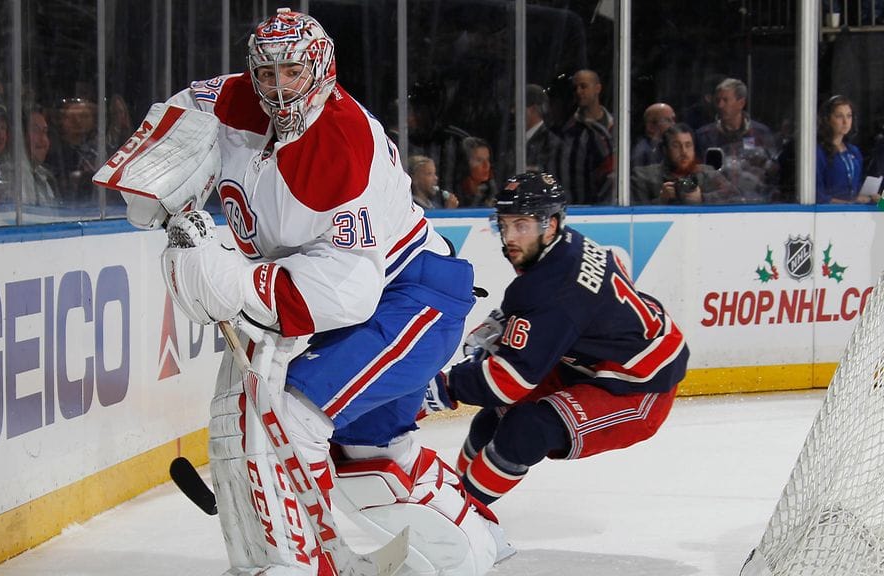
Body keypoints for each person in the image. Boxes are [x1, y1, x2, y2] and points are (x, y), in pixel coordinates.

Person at [149, 9, 509, 575]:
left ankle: (300, 563)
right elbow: (182, 110)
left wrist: (234, 283)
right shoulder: (238, 97)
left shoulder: (341, 143)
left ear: (320, 67)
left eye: (291, 71)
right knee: (370, 463)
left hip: (410, 297)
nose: (277, 87)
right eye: (266, 74)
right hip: (377, 302)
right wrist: (153, 176)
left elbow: (345, 291)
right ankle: (473, 544)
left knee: (290, 415)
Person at [422, 171, 689, 507]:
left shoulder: (556, 291)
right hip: (594, 361)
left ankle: (457, 516)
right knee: (494, 417)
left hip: (640, 384)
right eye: (504, 225)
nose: (510, 237)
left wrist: (440, 390)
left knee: (525, 431)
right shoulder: (564, 245)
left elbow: (507, 381)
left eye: (522, 225)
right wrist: (511, 320)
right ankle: (455, 496)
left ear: (550, 224)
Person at [694, 78, 779, 202]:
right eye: (717, 100)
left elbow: (775, 172)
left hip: (756, 204)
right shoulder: (704, 135)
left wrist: (763, 165)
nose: (720, 105)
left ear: (741, 103)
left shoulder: (761, 133)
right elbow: (696, 171)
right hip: (716, 204)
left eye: (725, 100)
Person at [630, 123, 738, 204]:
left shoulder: (707, 173)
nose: (684, 151)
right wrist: (661, 200)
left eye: (688, 145)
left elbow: (735, 197)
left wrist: (703, 198)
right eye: (676, 145)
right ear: (665, 150)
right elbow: (630, 212)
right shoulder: (643, 176)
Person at [558, 69, 614, 204]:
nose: (578, 92)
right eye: (575, 88)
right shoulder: (568, 132)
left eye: (583, 86)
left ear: (598, 88)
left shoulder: (618, 127)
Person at [816, 95, 875, 204]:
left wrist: (873, 199)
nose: (845, 121)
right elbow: (817, 195)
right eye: (839, 116)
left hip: (854, 215)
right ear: (828, 119)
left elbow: (858, 188)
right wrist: (848, 203)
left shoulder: (854, 152)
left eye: (849, 116)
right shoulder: (819, 152)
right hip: (828, 215)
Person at [47, 97, 99, 205]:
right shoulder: (53, 153)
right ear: (62, 121)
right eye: (72, 117)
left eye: (84, 116)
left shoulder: (97, 151)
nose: (78, 121)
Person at [20, 103, 58, 206]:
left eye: (45, 132)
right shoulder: (8, 177)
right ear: (21, 136)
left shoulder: (46, 177)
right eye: (35, 130)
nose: (43, 139)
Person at [524, 83, 561, 174]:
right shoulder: (510, 140)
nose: (513, 111)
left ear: (532, 109)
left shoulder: (552, 143)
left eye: (517, 106)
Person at [630, 102, 676, 168]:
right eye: (667, 120)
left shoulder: (665, 146)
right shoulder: (643, 153)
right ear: (651, 126)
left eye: (673, 119)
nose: (673, 124)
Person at [457, 136, 499, 207]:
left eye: (487, 160)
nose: (486, 166)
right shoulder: (457, 194)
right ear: (466, 164)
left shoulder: (492, 190)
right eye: (479, 160)